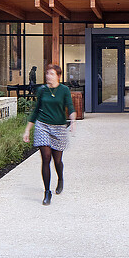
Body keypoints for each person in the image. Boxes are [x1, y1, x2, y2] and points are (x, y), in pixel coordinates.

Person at [22, 64, 76, 205]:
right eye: (47, 73)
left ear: (58, 76)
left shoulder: (64, 90)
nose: (48, 76)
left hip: (58, 127)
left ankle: (60, 178)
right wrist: (28, 129)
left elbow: (70, 106)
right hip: (43, 126)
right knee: (46, 158)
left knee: (57, 160)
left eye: (51, 73)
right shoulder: (42, 90)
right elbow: (36, 110)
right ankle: (47, 192)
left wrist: (73, 120)